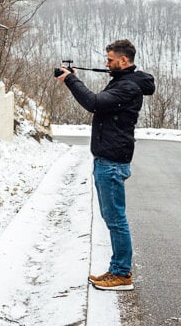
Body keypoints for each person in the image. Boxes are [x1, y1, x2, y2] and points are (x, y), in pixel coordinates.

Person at [55, 39, 155, 291]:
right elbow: (99, 101)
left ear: (123, 60)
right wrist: (74, 79)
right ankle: (117, 270)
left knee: (116, 220)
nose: (106, 64)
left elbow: (95, 103)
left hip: (111, 161)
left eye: (109, 60)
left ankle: (121, 274)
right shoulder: (124, 82)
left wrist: (71, 80)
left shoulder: (128, 87)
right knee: (113, 218)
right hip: (108, 158)